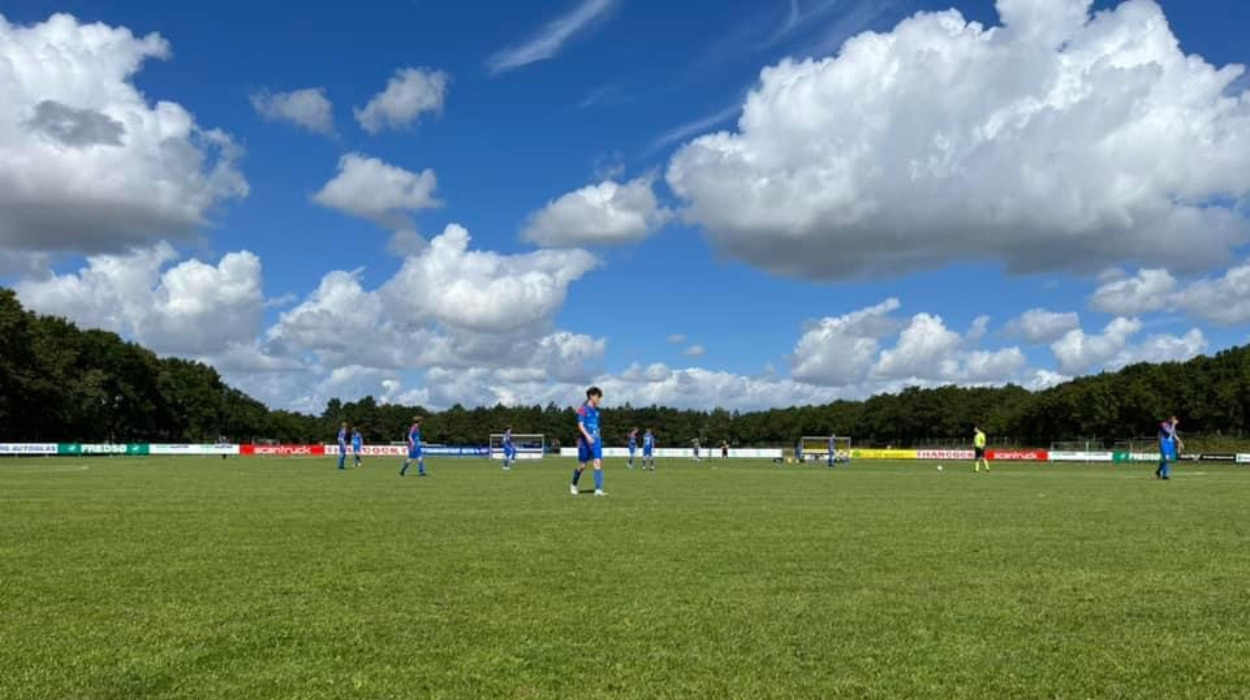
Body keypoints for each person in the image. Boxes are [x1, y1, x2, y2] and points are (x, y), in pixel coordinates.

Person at [571, 387, 606, 497]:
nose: (599, 399)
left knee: (597, 462)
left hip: (596, 440)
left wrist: (598, 437)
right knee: (582, 465)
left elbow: (596, 426)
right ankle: (574, 484)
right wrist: (587, 436)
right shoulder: (583, 409)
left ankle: (598, 489)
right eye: (598, 397)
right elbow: (580, 425)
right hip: (585, 441)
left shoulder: (597, 412)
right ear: (591, 396)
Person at [1156, 416, 1183, 480]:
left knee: (1167, 459)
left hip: (1171, 443)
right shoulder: (1164, 424)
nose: (1175, 420)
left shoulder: (1172, 426)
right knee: (1166, 458)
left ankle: (1158, 471)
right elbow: (1168, 434)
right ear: (1169, 419)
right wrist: (1174, 424)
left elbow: (1174, 434)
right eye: (1173, 419)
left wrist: (1179, 441)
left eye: (1175, 419)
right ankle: (1164, 475)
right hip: (1164, 441)